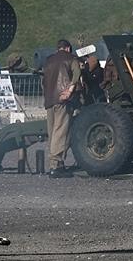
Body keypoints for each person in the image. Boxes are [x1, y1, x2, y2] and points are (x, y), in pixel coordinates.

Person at [42, 39, 81, 178]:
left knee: (52, 132)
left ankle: (57, 164)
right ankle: (55, 165)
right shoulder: (71, 58)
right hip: (63, 99)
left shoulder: (48, 61)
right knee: (60, 132)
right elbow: (77, 74)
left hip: (49, 101)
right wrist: (70, 90)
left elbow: (43, 81)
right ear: (68, 48)